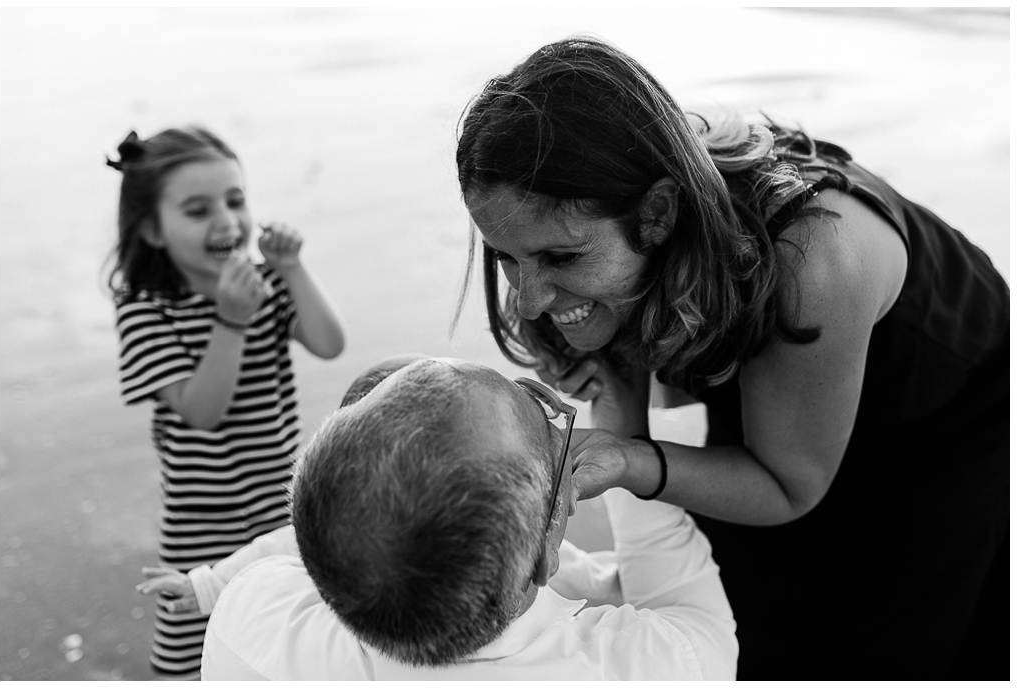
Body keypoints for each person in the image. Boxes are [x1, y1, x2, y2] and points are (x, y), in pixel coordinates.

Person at [455, 37, 1008, 679]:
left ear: (659, 213)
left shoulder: (813, 265)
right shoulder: (616, 183)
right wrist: (621, 398)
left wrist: (632, 457)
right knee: (744, 600)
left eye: (560, 258)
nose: (526, 302)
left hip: (935, 410)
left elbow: (785, 484)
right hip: (781, 353)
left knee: (883, 635)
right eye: (506, 258)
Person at [139, 355, 738, 680]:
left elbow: (297, 551)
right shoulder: (651, 666)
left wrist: (210, 583)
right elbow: (693, 614)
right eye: (546, 421)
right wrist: (629, 442)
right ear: (547, 547)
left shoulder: (252, 629)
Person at [105, 126, 346, 679]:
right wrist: (232, 320)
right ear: (153, 231)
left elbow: (329, 343)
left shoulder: (262, 283)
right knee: (195, 643)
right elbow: (200, 411)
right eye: (197, 209)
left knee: (292, 635)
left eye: (235, 201)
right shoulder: (146, 311)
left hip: (283, 502)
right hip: (200, 521)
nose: (227, 220)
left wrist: (291, 268)